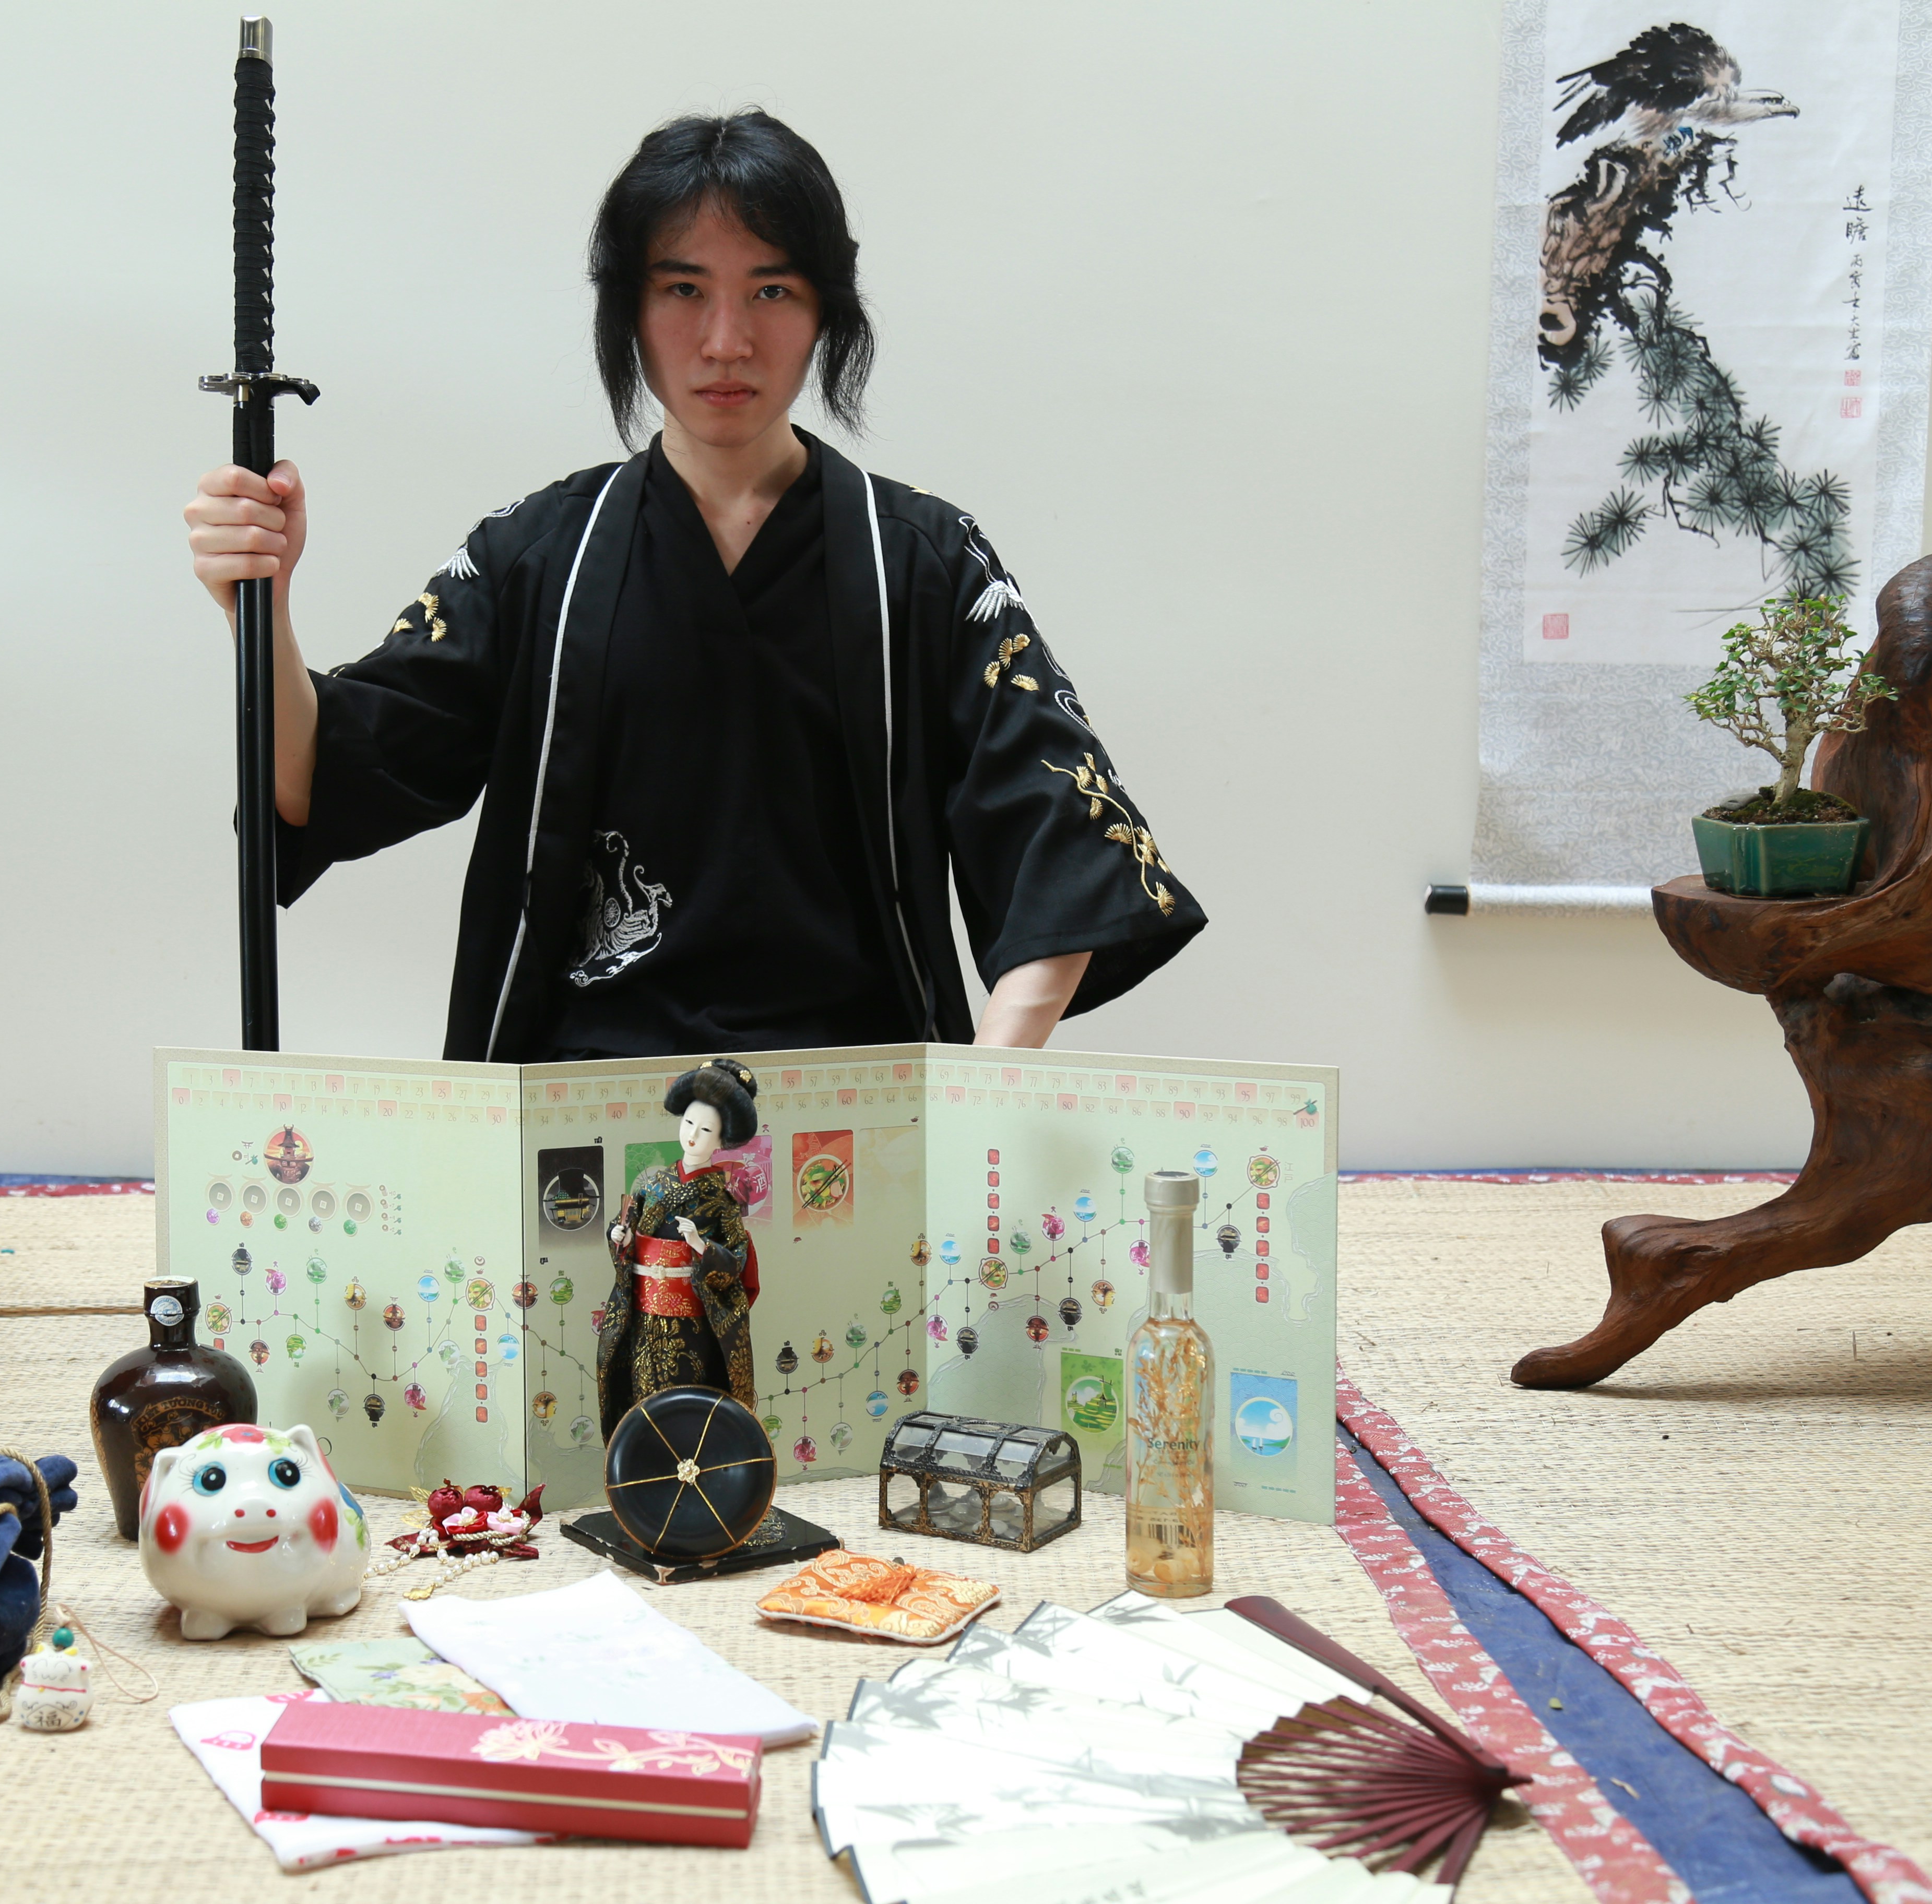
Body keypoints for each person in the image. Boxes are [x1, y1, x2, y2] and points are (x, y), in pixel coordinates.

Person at [183, 111, 1203, 1063]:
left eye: (771, 291)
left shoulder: (926, 559)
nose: (726, 341)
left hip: (860, 1108)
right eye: (682, 290)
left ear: (827, 309)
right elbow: (320, 779)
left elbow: (1063, 833)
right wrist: (258, 609)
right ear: (629, 309)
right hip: (575, 1113)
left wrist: (982, 1093)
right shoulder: (536, 554)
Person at [597, 1058, 761, 1425]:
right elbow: (627, 1225)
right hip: (646, 1316)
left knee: (688, 1403)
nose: (693, 1135)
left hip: (693, 1322)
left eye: (706, 1129)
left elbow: (737, 1257)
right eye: (688, 1123)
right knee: (644, 1396)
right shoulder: (654, 1184)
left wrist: (701, 1245)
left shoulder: (723, 1198)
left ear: (722, 1140)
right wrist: (620, 1237)